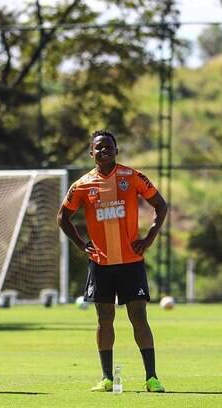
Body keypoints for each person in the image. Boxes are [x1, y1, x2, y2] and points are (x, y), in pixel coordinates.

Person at [57, 129, 168, 392]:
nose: (104, 151)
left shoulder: (132, 176)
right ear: (91, 153)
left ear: (116, 151)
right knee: (104, 320)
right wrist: (82, 245)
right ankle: (107, 378)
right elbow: (62, 217)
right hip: (101, 264)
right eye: (99, 147)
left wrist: (149, 237)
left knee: (138, 317)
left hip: (131, 262)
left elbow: (160, 205)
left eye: (108, 147)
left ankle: (151, 378)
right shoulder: (82, 185)